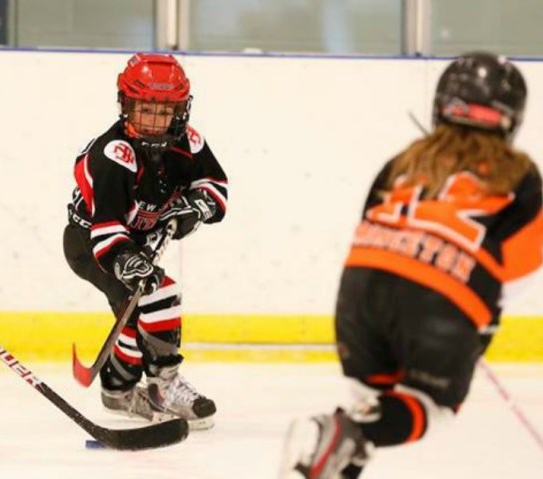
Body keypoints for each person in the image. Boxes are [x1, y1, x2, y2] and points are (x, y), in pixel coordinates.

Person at [279, 51, 543, 478]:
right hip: (441, 296)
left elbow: (368, 224)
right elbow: (523, 269)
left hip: (359, 289)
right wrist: (476, 316)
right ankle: (340, 434)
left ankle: (328, 459)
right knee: (431, 405)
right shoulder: (520, 173)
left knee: (378, 402)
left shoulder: (405, 160)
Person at [63, 53, 228, 430]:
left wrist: (198, 206)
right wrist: (127, 259)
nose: (154, 122)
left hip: (139, 237)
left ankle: (120, 388)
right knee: (156, 295)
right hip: (91, 243)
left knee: (140, 308)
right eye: (145, 110)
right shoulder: (112, 155)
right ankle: (161, 384)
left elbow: (215, 185)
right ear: (126, 106)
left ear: (180, 111)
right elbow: (105, 227)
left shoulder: (188, 142)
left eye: (164, 111)